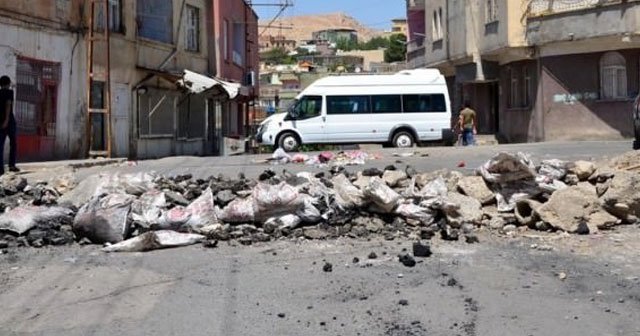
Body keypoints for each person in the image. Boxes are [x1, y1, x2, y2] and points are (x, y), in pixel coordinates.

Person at [0, 75, 19, 175]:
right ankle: (11, 165)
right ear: (8, 83)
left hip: (0, 122)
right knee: (13, 143)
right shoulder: (9, 92)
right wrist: (7, 119)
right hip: (9, 121)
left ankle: (0, 168)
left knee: (0, 145)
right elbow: (8, 104)